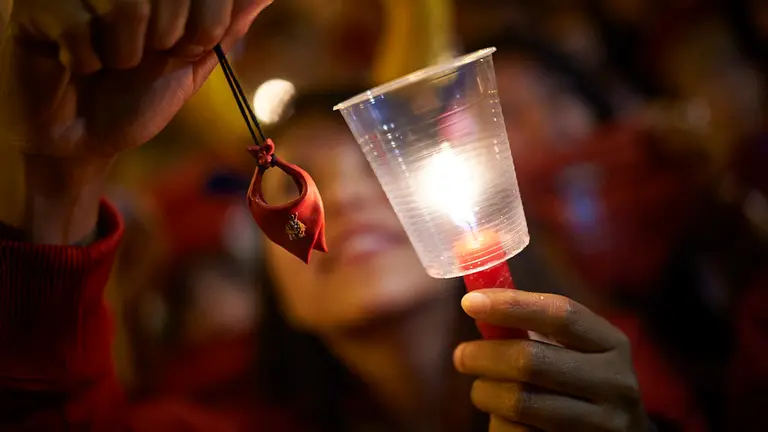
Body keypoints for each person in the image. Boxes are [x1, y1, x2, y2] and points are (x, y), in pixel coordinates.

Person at [0, 1, 650, 430]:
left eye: (378, 167)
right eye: (298, 182)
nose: (342, 195)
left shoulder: (605, 370)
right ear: (268, 275)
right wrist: (60, 179)